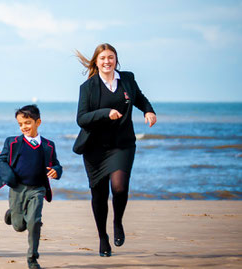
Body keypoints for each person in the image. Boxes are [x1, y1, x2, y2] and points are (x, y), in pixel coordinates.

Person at [73, 43, 156, 257]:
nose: (107, 61)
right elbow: (81, 119)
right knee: (99, 195)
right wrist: (105, 113)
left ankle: (118, 222)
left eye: (111, 57)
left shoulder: (127, 79)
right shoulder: (88, 87)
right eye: (103, 58)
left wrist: (148, 111)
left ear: (116, 59)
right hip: (95, 149)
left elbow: (140, 99)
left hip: (122, 144)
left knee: (119, 188)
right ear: (96, 62)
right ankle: (103, 237)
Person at [0, 105, 63, 269]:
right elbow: (1, 160)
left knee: (34, 222)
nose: (24, 127)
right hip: (17, 188)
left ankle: (32, 258)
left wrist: (56, 171)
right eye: (20, 124)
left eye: (28, 122)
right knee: (19, 226)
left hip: (38, 189)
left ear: (38, 122)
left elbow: (56, 165)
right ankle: (12, 214)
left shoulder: (48, 145)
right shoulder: (12, 142)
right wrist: (8, 176)